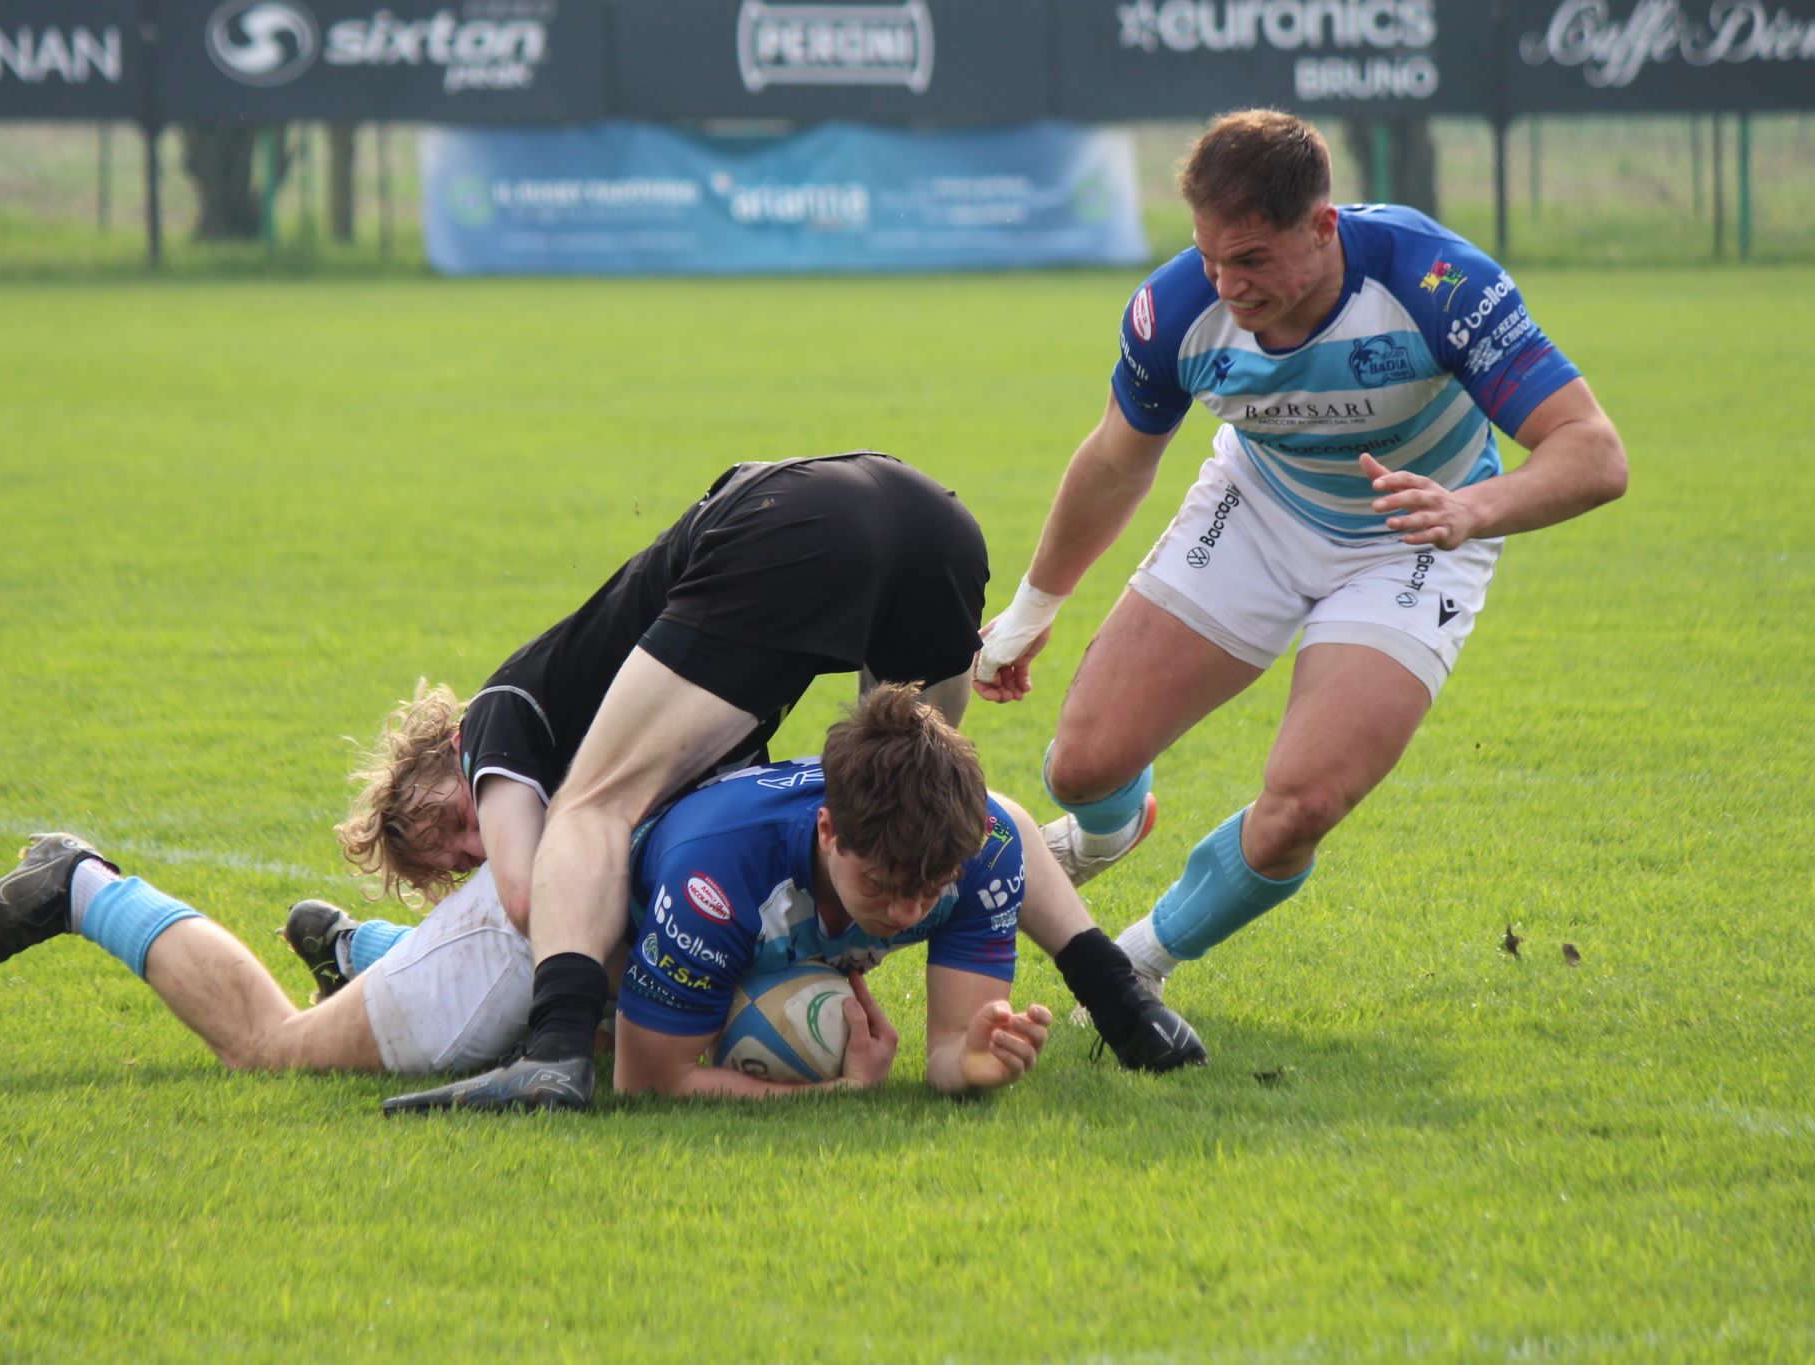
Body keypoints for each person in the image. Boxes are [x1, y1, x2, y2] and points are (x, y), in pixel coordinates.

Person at [974, 110, 1627, 1035]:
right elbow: (1116, 462)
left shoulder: (1434, 282)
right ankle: (1108, 830)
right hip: (1260, 508)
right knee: (1081, 766)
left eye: (1251, 260)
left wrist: (1471, 510)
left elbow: (1595, 452)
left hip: (1417, 535)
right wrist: (1032, 608)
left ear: (1323, 226)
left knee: (1301, 806)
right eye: (1212, 259)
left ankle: (1138, 965)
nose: (1229, 285)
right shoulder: (1179, 310)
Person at [352, 449, 1203, 1113]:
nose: (476, 840)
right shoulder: (698, 733)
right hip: (935, 523)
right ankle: (1126, 1005)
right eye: (457, 858)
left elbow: (527, 896)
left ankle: (552, 1057)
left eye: (452, 823)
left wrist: (597, 1001)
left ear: (448, 756)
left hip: (787, 523)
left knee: (595, 806)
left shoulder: (500, 715)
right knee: (921, 801)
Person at [384, 685, 1059, 1108]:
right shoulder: (717, 881)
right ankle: (353, 945)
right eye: (882, 887)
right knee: (357, 1043)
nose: (908, 915)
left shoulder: (984, 849)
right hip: (541, 930)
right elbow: (647, 1080)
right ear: (829, 831)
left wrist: (970, 1064)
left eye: (931, 891)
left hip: (675, 946)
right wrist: (837, 1093)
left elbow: (949, 1052)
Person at [0, 838, 532, 1078]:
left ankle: (356, 952)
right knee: (271, 1049)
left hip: (536, 914)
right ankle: (80, 888)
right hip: (520, 932)